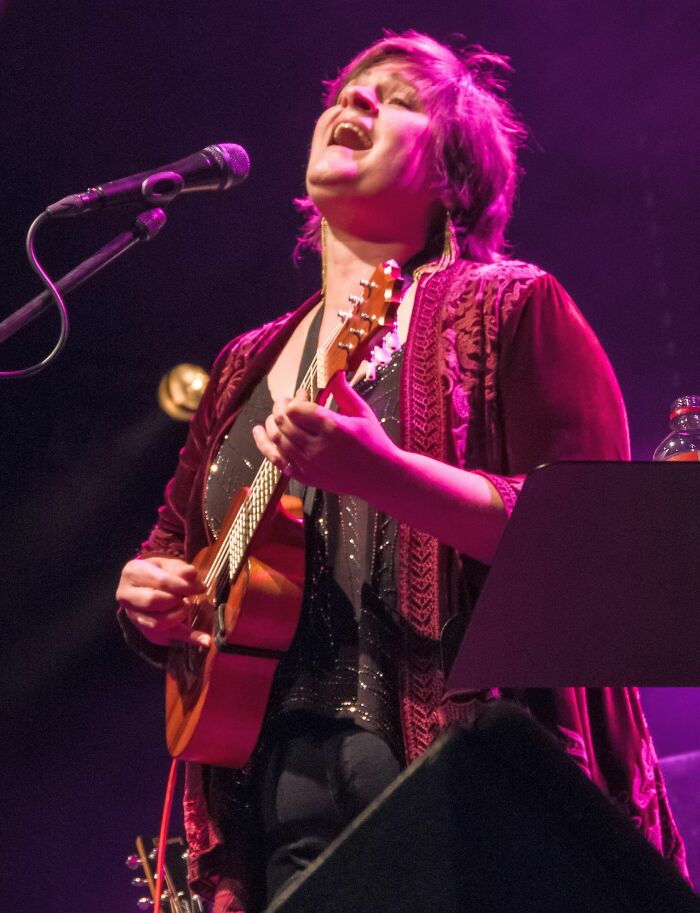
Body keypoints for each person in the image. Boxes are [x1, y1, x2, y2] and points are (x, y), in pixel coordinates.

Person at [116, 31, 688, 913]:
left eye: (400, 98)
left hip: (465, 783)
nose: (357, 102)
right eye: (347, 90)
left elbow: (597, 550)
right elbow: (171, 554)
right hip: (272, 816)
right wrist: (148, 597)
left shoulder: (509, 306)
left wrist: (383, 473)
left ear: (454, 175)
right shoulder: (240, 367)